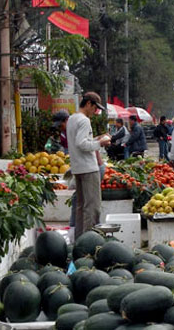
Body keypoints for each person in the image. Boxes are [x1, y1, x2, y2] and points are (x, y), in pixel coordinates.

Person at [66, 91, 111, 239]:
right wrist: (100, 143)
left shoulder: (72, 118)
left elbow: (78, 140)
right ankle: (90, 240)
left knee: (81, 206)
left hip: (78, 167)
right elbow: (82, 144)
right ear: (88, 104)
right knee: (92, 207)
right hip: (88, 168)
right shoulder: (84, 120)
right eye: (95, 107)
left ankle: (80, 239)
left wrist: (96, 138)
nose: (95, 111)